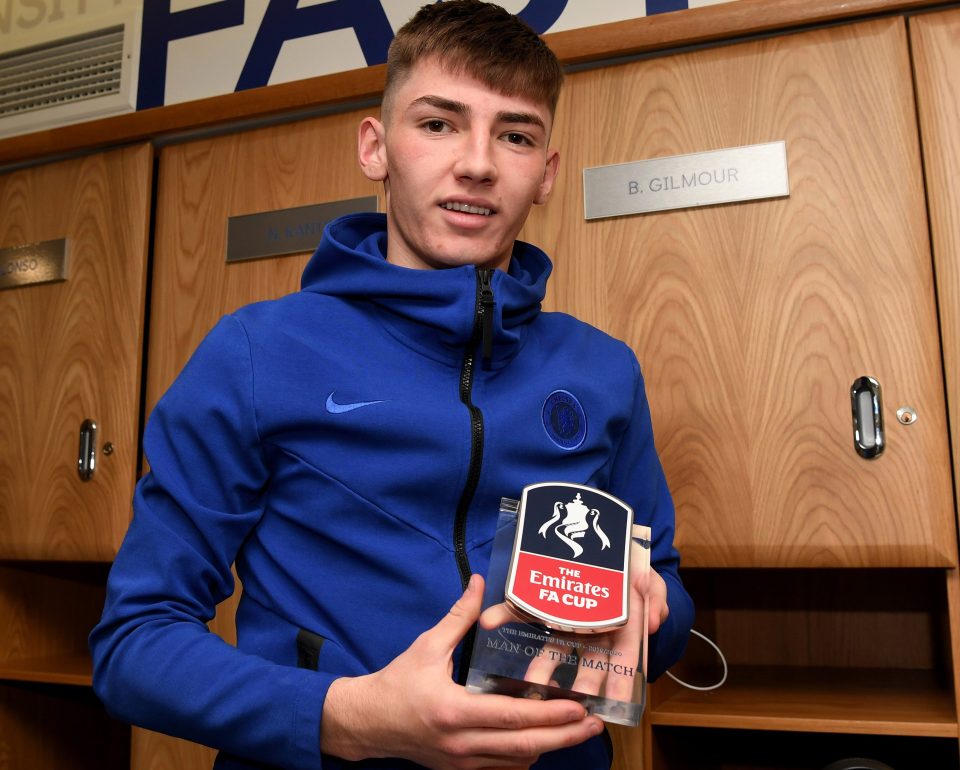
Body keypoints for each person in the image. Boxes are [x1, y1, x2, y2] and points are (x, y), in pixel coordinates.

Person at [89, 3, 694, 769]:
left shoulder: (603, 370)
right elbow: (134, 645)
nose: (477, 162)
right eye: (438, 124)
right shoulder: (256, 352)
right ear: (376, 149)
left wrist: (646, 616)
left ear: (545, 172)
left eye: (514, 135)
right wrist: (343, 718)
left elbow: (666, 595)